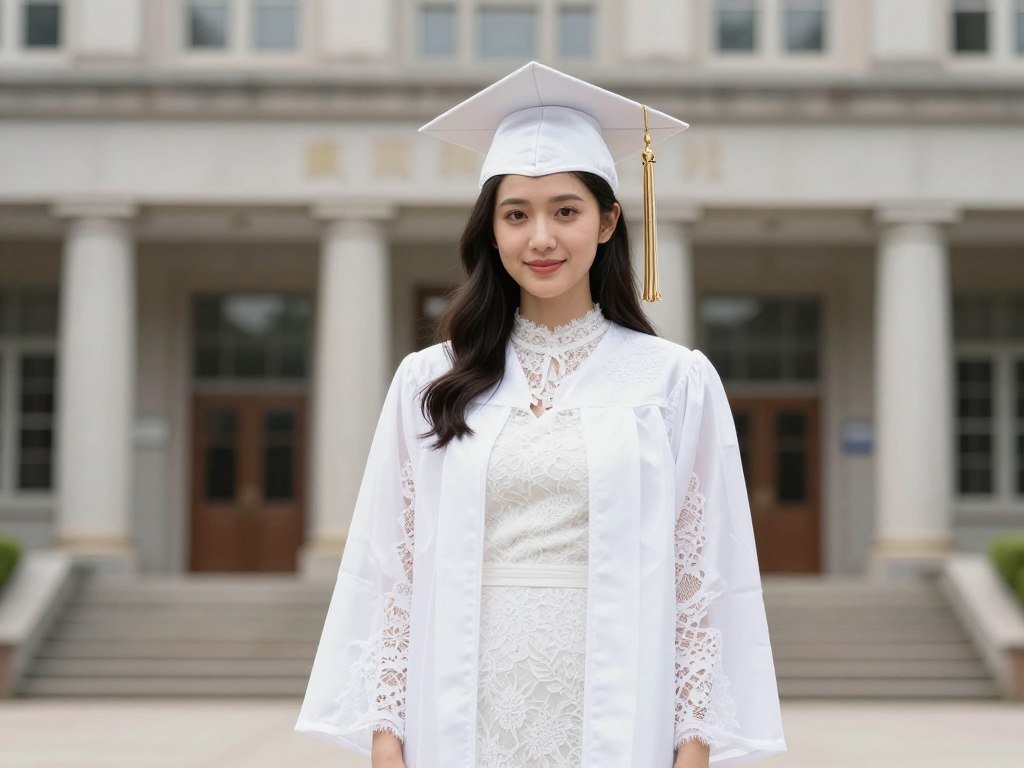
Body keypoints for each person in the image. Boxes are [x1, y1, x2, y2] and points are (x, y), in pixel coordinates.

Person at [294, 61, 787, 768]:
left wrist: (694, 745)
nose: (541, 239)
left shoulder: (672, 382)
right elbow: (390, 573)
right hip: (459, 700)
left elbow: (701, 579)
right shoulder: (428, 381)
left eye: (566, 211)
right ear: (490, 231)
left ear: (608, 220)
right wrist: (385, 736)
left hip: (618, 701)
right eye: (516, 215)